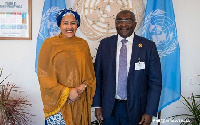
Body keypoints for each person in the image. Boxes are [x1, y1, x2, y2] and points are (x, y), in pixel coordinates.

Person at [92, 10, 162, 125]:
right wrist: (98, 105)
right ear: (115, 24)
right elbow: (98, 77)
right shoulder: (105, 44)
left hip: (137, 110)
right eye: (120, 21)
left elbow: (155, 82)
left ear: (134, 24)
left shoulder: (148, 47)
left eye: (127, 21)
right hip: (109, 108)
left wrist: (149, 112)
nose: (123, 24)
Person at [37, 8, 96, 125]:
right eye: (65, 23)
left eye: (73, 23)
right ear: (59, 25)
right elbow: (44, 75)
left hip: (79, 100)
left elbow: (90, 74)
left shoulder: (83, 44)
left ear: (77, 25)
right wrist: (67, 92)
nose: (69, 27)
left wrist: (81, 88)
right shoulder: (49, 44)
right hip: (59, 103)